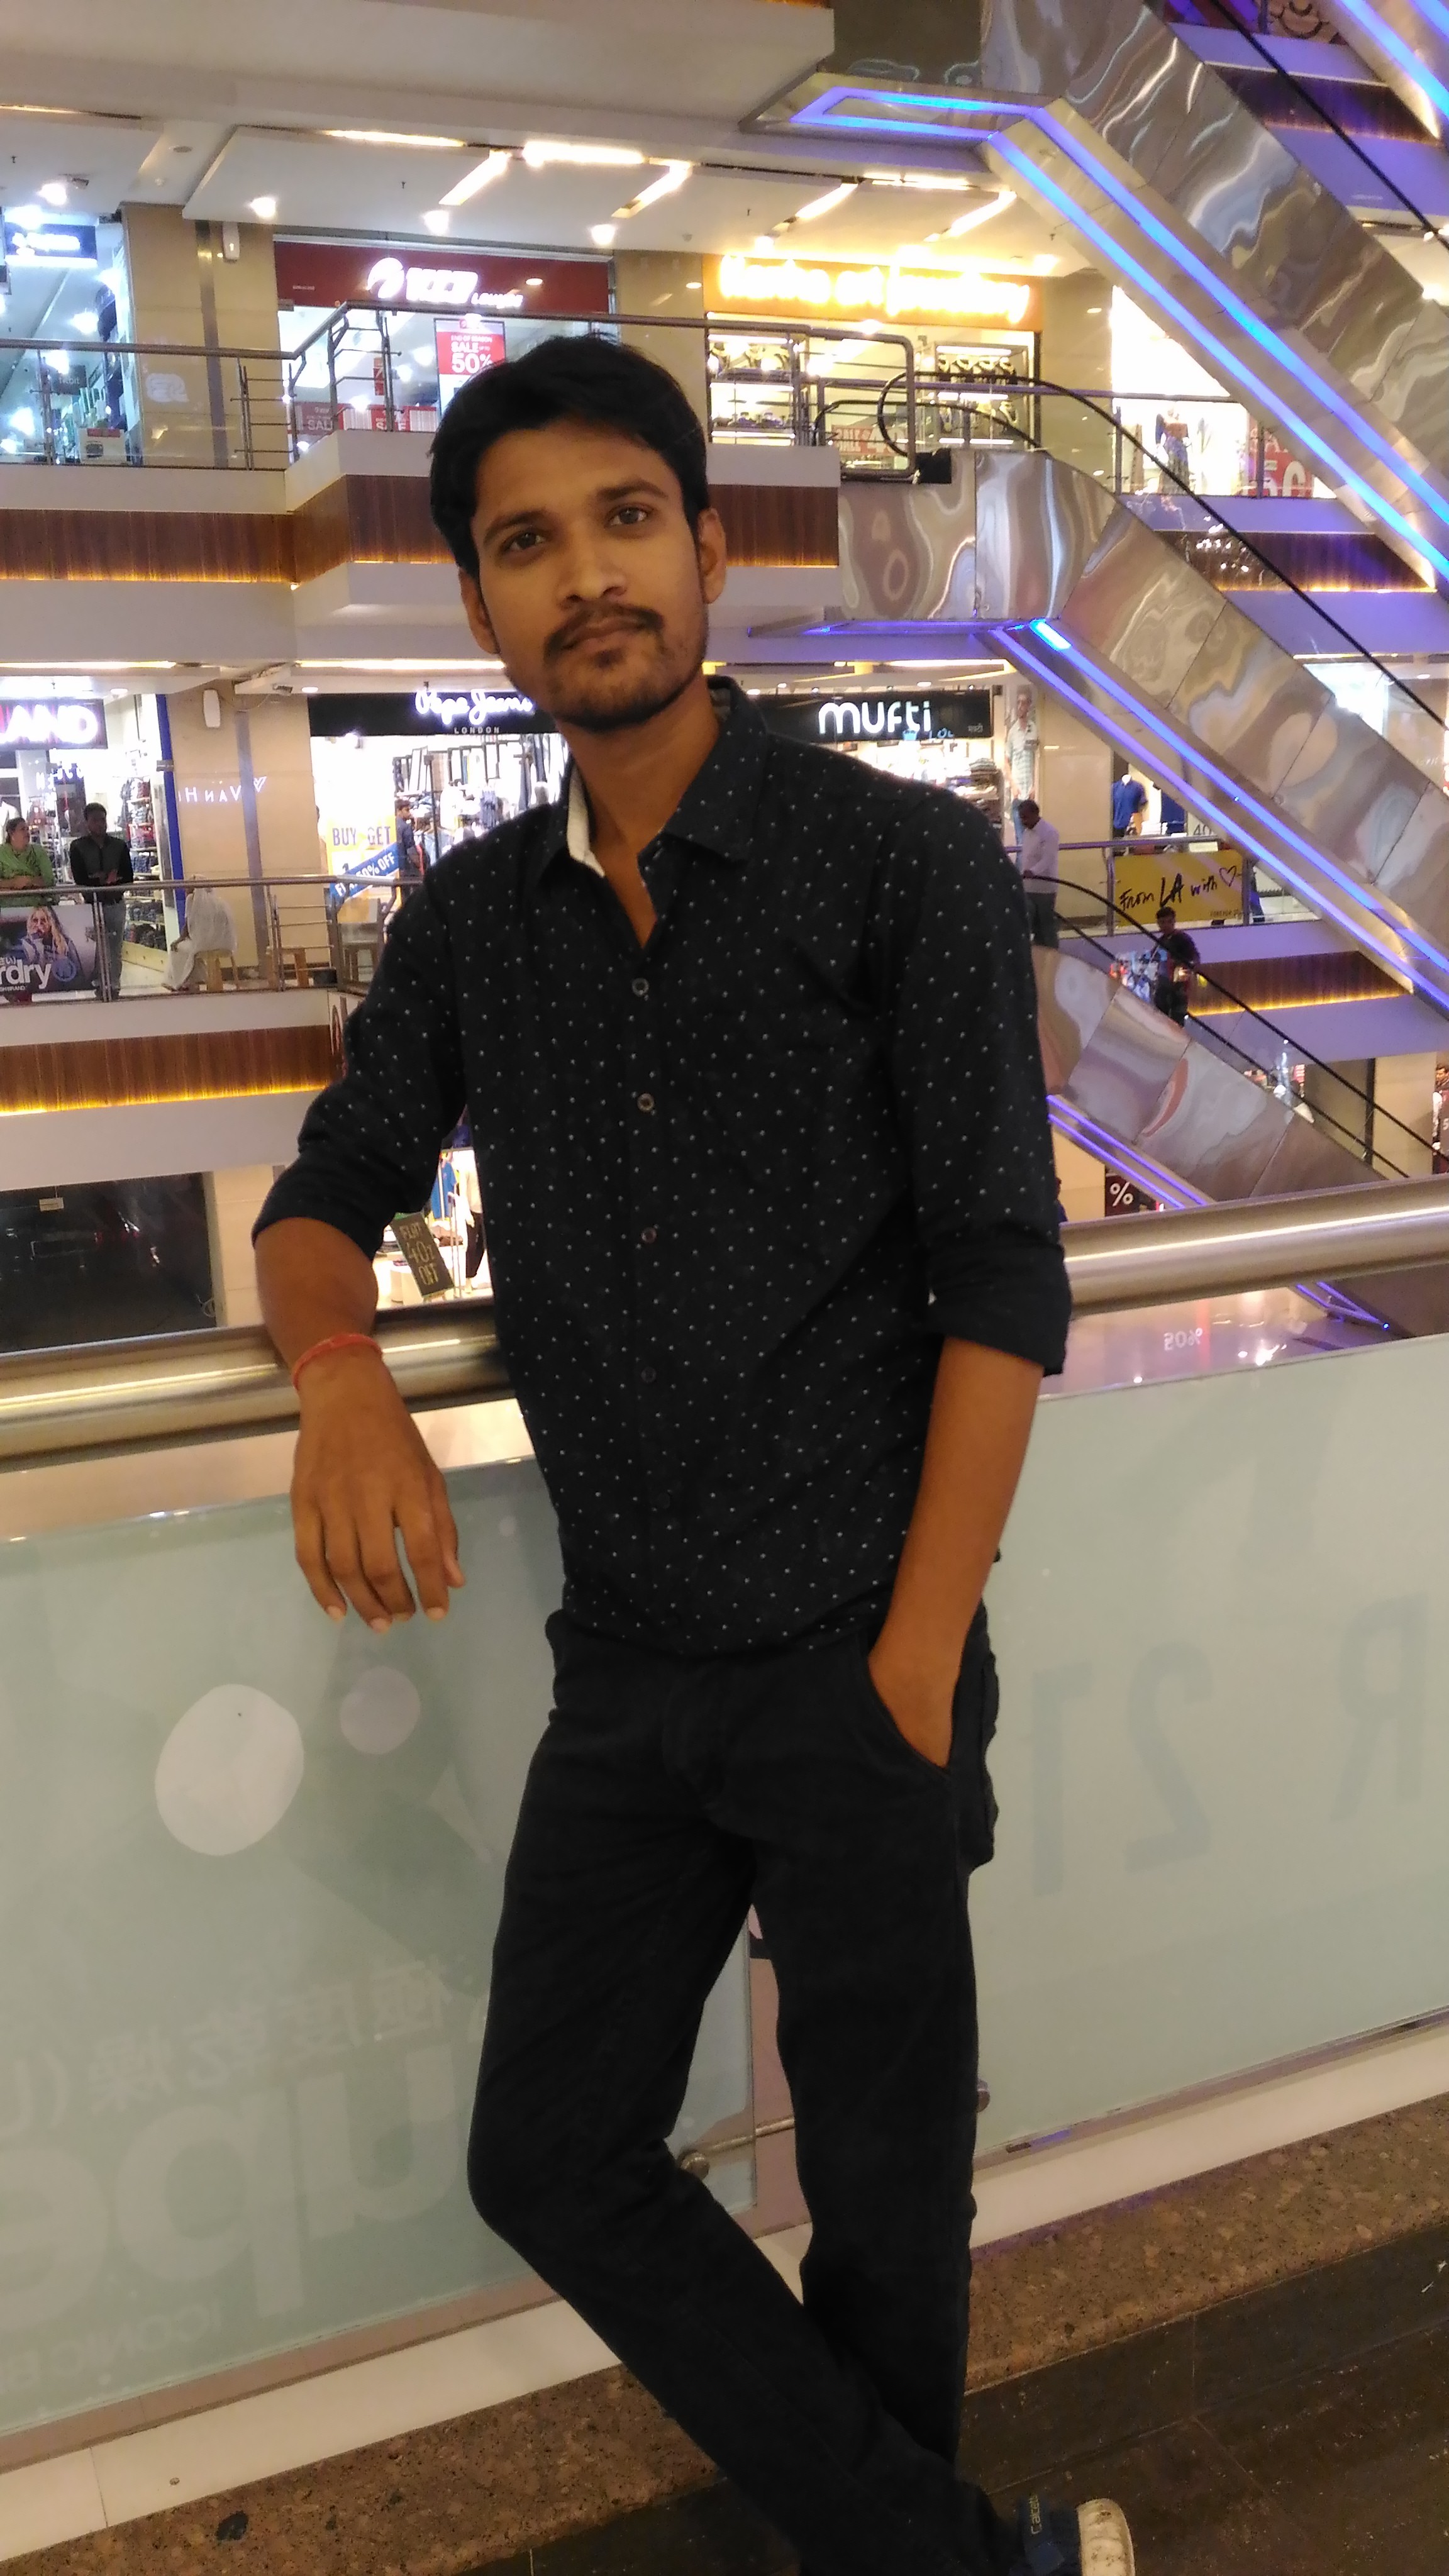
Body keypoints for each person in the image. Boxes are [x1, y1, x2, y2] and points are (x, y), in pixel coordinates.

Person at [252, 336, 1132, 2576]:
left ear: (709, 549)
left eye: (624, 519)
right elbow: (324, 1189)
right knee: (549, 2150)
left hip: (862, 1647)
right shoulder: (474, 922)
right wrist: (338, 1370)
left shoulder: (897, 866)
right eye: (525, 544)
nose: (587, 577)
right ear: (482, 609)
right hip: (631, 1675)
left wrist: (915, 1663)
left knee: (887, 2201)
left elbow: (1002, 1279)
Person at [68, 799, 134, 998]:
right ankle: (100, 985)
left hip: (116, 903)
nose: (100, 824)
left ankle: (113, 985)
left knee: (115, 947)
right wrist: (105, 879)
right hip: (92, 905)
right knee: (97, 948)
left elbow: (128, 876)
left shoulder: (119, 845)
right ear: (87, 822)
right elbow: (81, 879)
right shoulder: (78, 847)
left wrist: (103, 879)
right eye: (95, 820)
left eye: (103, 820)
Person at [1015, 797, 1060, 949]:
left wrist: (1033, 871)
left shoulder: (1049, 833)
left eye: (1025, 817)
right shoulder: (1027, 833)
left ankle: (1053, 954)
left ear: (1035, 814)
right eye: (1021, 818)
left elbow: (1048, 859)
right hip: (1028, 887)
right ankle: (1039, 954)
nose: (1023, 821)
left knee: (1047, 925)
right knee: (1033, 926)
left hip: (1045, 888)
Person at [1150, 903, 1199, 1024]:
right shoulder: (1161, 940)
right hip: (1163, 986)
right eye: (1162, 922)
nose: (1166, 925)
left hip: (1178, 986)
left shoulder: (1182, 939)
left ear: (1174, 922)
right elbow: (1153, 958)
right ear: (1158, 924)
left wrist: (1184, 966)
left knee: (1176, 1019)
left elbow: (1195, 958)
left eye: (1169, 922)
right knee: (1162, 1019)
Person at [1002, 682, 1038, 845]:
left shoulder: (1034, 730)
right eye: (1018, 703)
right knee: (1020, 840)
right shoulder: (1012, 733)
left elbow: (1037, 759)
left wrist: (1035, 785)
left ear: (1029, 705)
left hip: (1031, 794)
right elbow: (1006, 761)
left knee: (1031, 839)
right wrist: (1013, 785)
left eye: (1024, 703)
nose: (1020, 707)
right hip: (1017, 795)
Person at [1111, 774, 1148, 840]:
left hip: (1133, 825)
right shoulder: (1115, 787)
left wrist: (1138, 820)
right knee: (1117, 843)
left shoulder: (1138, 787)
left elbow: (1143, 804)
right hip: (1117, 824)